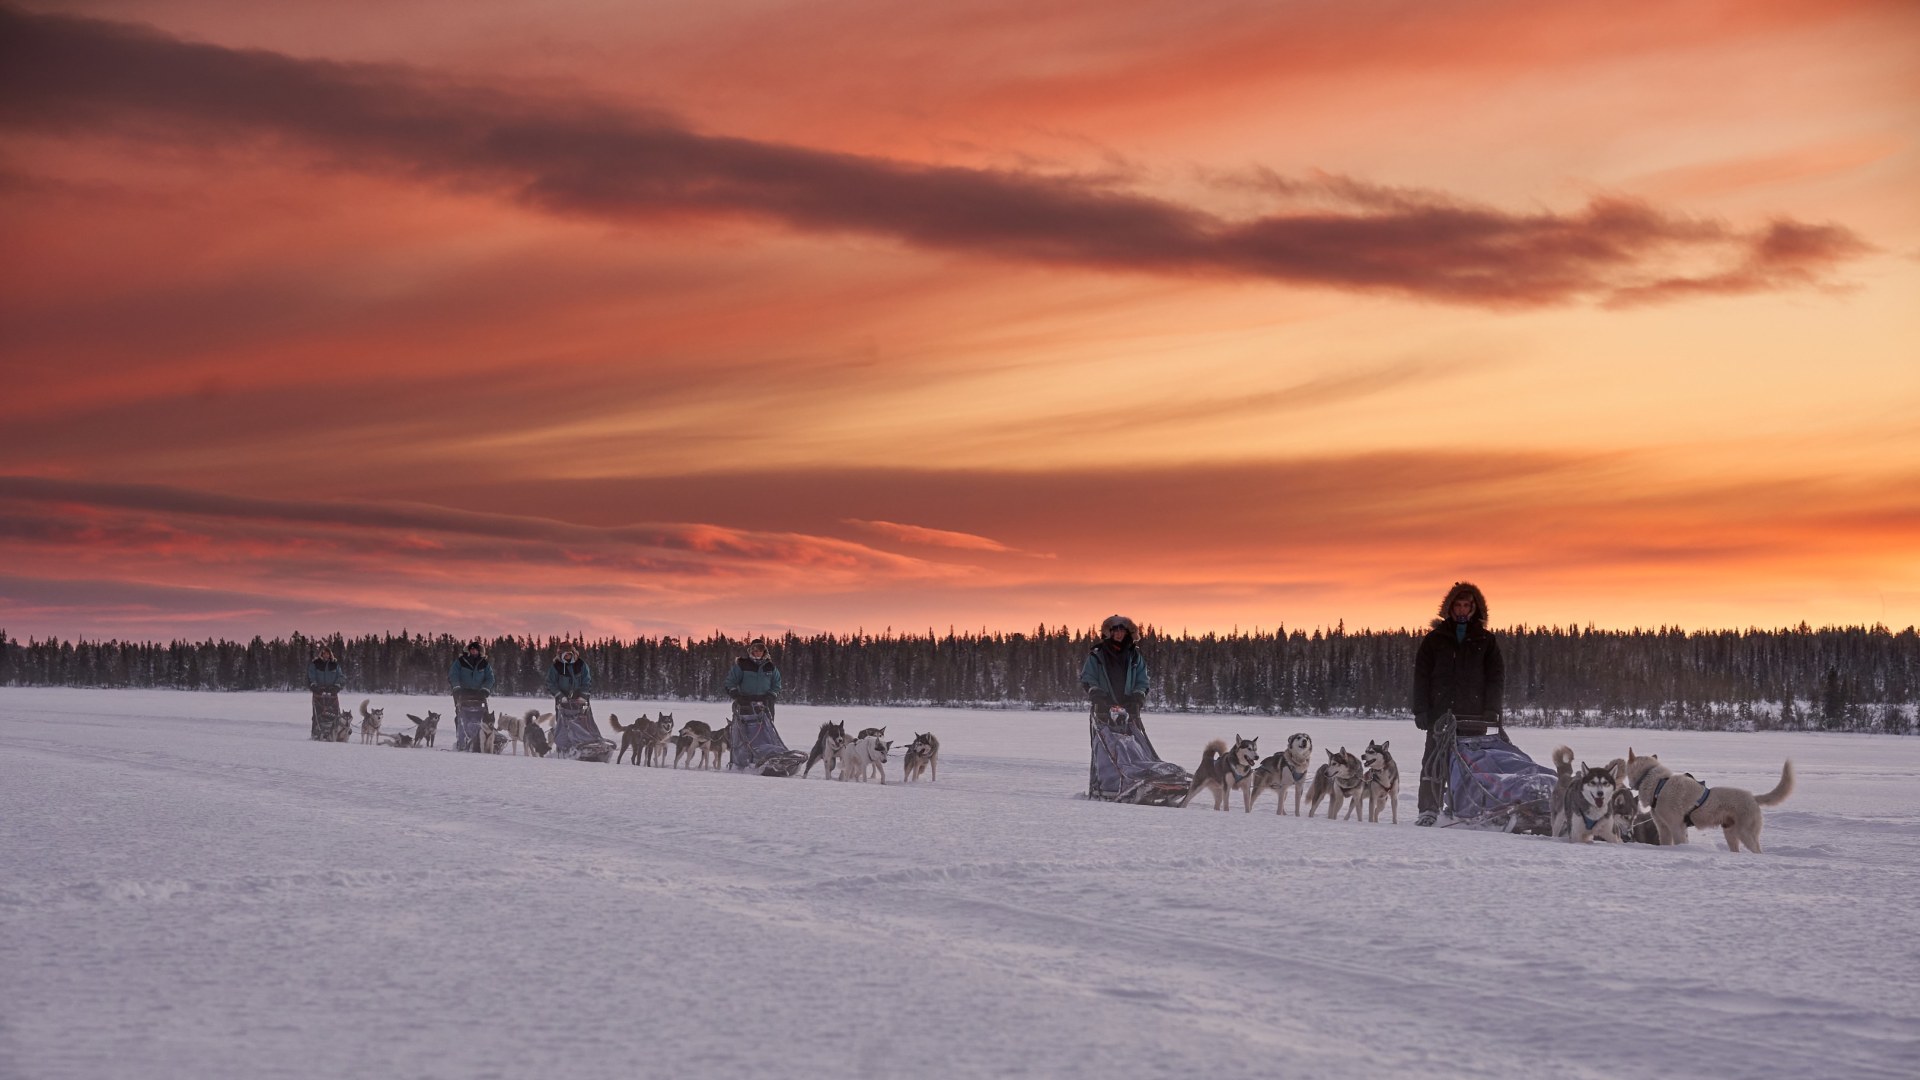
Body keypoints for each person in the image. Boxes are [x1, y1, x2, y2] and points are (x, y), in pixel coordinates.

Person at [1411, 582, 1505, 826]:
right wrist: (1420, 709)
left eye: (1467, 606)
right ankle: (1428, 810)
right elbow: (1421, 676)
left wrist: (1492, 709)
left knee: (1471, 766)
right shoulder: (1435, 639)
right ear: (1450, 607)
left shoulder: (1486, 641)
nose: (1462, 610)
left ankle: (1467, 810)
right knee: (1433, 763)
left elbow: (1496, 678)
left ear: (1475, 609)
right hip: (1440, 714)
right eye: (1458, 605)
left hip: (1474, 716)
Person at [1081, 615, 1148, 728]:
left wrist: (1137, 697)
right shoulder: (1097, 654)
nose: (1118, 634)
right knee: (1104, 743)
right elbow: (1088, 677)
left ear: (1127, 633)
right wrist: (1097, 694)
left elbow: (1142, 680)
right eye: (1115, 630)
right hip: (1103, 707)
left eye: (1122, 630)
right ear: (1109, 632)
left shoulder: (1135, 656)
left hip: (1129, 708)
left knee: (1131, 744)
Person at [448, 639, 496, 751]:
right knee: (461, 716)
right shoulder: (461, 661)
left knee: (482, 716)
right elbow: (453, 674)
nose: (474, 651)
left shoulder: (484, 664)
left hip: (479, 693)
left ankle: (483, 739)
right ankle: (462, 739)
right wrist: (456, 687)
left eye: (476, 650)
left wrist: (485, 689)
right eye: (472, 649)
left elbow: (490, 678)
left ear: (479, 651)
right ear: (469, 650)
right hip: (462, 692)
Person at [724, 638, 782, 717]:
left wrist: (771, 696)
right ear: (751, 651)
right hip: (745, 703)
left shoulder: (770, 667)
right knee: (744, 728)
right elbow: (730, 682)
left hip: (765, 704)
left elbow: (777, 684)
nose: (758, 653)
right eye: (756, 651)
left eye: (760, 651)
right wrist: (736, 695)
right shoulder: (742, 665)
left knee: (766, 729)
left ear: (764, 651)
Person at [307, 643, 346, 741]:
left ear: (330, 654)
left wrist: (337, 686)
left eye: (328, 654)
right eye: (324, 653)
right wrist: (314, 685)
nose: (326, 655)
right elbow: (311, 675)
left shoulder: (335, 665)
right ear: (321, 654)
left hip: (332, 691)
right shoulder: (315, 663)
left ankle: (335, 733)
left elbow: (340, 676)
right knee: (317, 713)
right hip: (318, 691)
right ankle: (315, 733)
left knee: (335, 713)